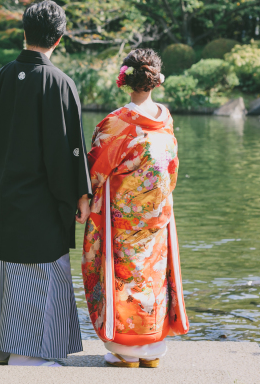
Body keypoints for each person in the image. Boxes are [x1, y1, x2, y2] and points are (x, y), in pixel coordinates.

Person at [0, 0, 92, 367]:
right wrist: (80, 194)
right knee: (37, 269)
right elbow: (67, 150)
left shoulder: (3, 76)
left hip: (5, 196)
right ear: (59, 38)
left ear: (24, 33)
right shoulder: (59, 83)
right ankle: (28, 353)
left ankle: (1, 347)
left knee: (5, 264)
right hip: (40, 200)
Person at [82, 48, 189, 368]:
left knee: (124, 279)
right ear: (155, 80)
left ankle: (126, 351)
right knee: (153, 276)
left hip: (121, 219)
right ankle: (153, 349)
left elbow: (94, 172)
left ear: (126, 79)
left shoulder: (115, 123)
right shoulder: (165, 119)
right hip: (157, 214)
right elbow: (171, 171)